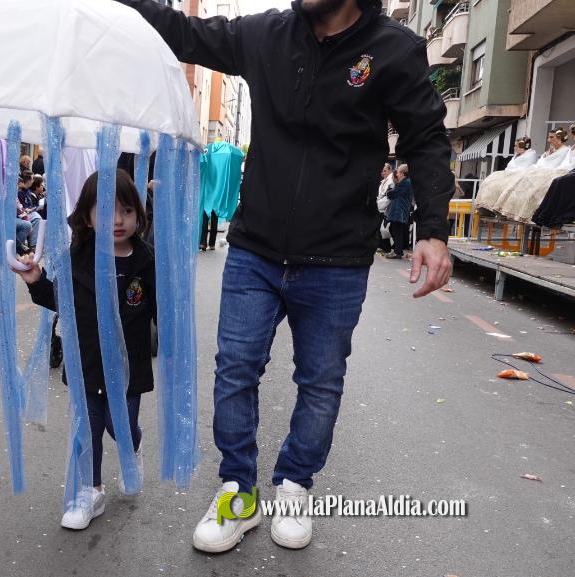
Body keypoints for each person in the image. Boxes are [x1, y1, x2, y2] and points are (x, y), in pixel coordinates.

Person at [117, 0, 454, 552]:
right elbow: (187, 32)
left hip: (339, 258)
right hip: (256, 249)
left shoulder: (392, 48)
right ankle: (239, 492)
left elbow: (427, 139)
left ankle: (295, 484)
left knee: (320, 382)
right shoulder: (268, 33)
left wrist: (434, 230)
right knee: (235, 372)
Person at [14, 169, 155, 530]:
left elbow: (162, 312)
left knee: (119, 424)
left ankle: (132, 449)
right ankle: (90, 491)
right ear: (88, 216)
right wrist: (36, 281)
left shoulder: (147, 260)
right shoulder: (77, 257)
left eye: (125, 210)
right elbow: (60, 299)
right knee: (88, 428)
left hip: (129, 367)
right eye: (105, 211)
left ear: (138, 213)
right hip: (87, 362)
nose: (117, 220)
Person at [385, 164, 413, 259]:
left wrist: (389, 190)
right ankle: (398, 250)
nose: (397, 174)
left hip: (399, 210)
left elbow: (392, 194)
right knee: (394, 229)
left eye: (398, 172)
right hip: (399, 210)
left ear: (402, 173)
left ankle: (398, 252)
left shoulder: (405, 182)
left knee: (397, 230)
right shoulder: (405, 182)